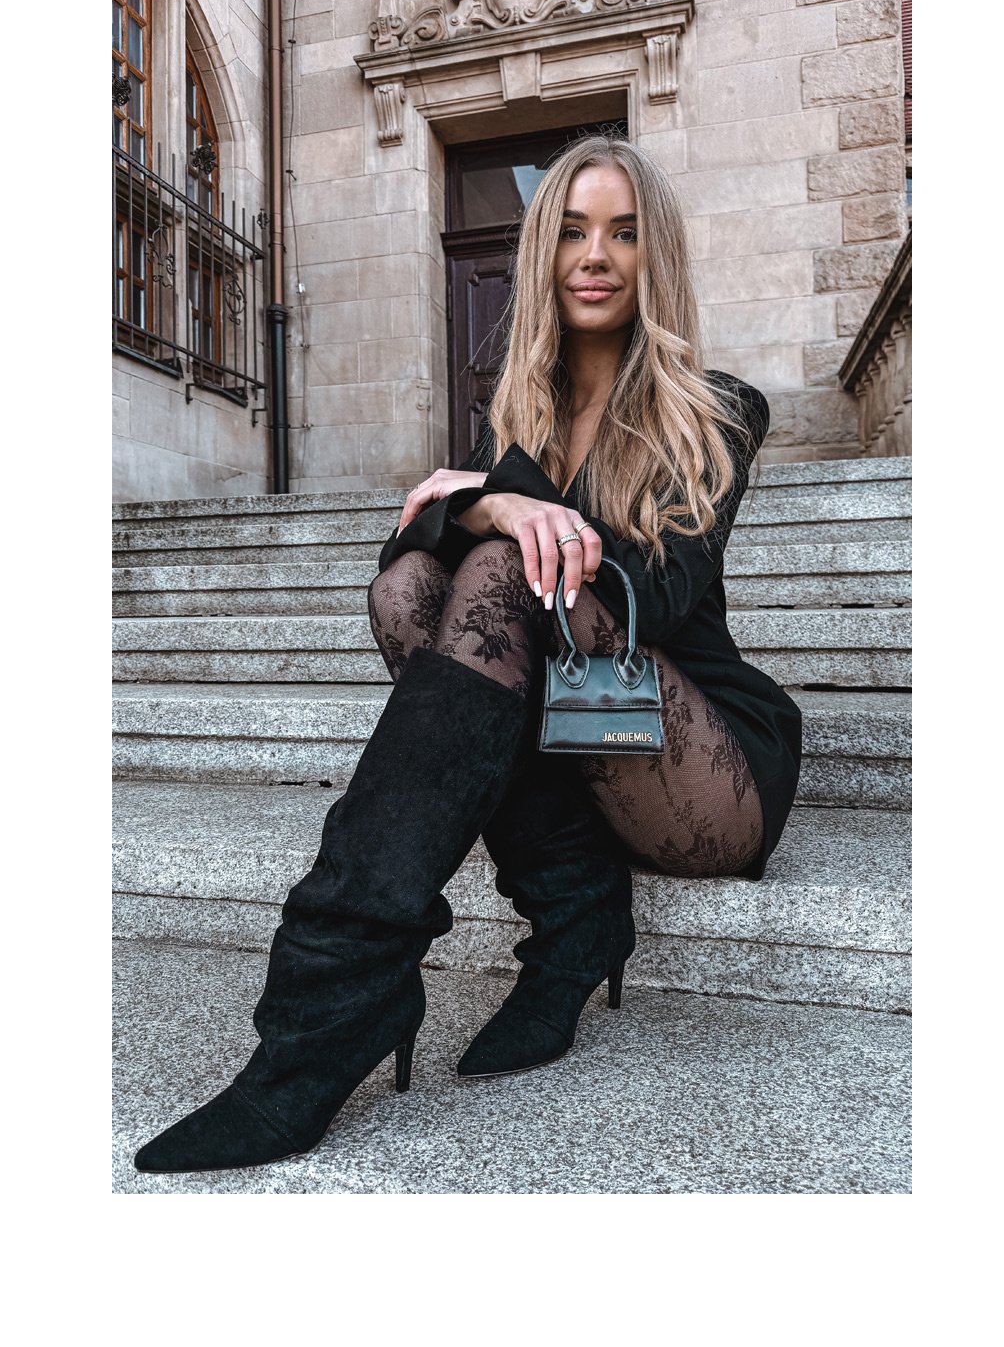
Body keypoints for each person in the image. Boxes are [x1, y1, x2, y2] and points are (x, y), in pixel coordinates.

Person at [133, 134, 801, 1176]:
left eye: (624, 233)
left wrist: (501, 509)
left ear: (655, 256)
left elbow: (659, 601)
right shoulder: (520, 421)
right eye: (570, 230)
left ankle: (329, 1005)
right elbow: (405, 556)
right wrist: (495, 497)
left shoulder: (717, 410)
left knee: (500, 569)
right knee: (409, 592)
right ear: (540, 254)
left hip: (701, 763)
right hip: (581, 736)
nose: (595, 255)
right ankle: (572, 920)